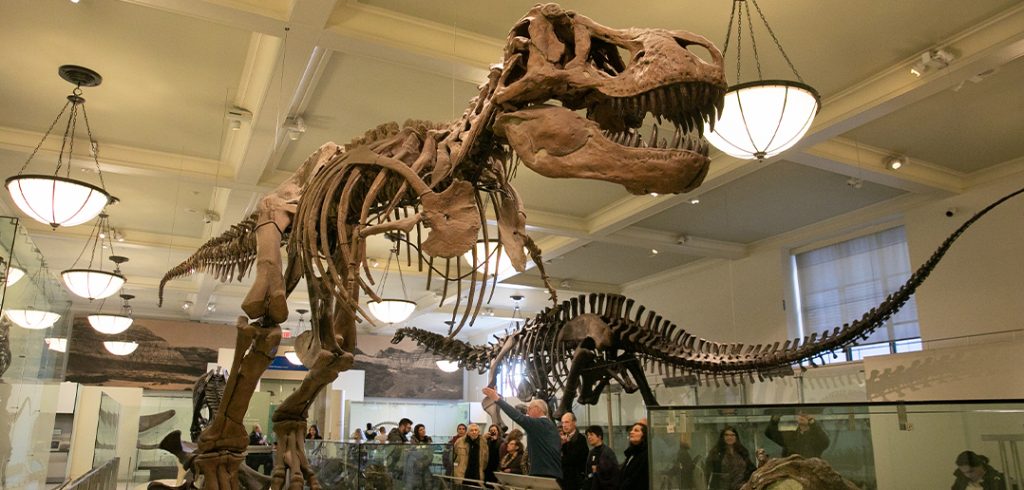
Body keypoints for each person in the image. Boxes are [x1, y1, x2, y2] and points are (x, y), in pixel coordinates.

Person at [482, 386, 562, 480]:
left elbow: (517, 416)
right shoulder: (552, 426)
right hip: (555, 474)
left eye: (529, 408)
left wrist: (497, 399)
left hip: (543, 475)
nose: (527, 412)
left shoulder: (538, 424)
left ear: (537, 409)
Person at [704, 426, 755, 490]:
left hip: (741, 486)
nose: (729, 437)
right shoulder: (715, 453)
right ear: (723, 437)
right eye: (727, 435)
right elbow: (708, 472)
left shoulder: (742, 452)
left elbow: (751, 469)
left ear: (736, 437)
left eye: (732, 435)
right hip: (722, 487)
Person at [764, 412, 829, 458]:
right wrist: (775, 419)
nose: (802, 414)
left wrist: (811, 422)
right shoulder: (790, 436)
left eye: (805, 413)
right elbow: (770, 433)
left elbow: (825, 442)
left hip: (810, 472)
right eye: (799, 413)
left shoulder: (816, 436)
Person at [561, 411, 589, 490]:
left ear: (574, 423)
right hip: (562, 479)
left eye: (567, 422)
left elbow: (573, 459)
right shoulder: (561, 439)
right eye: (562, 423)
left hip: (575, 481)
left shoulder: (580, 439)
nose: (564, 425)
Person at [585, 425, 618, 490]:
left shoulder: (607, 452)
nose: (589, 437)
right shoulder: (591, 452)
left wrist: (597, 469)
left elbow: (613, 473)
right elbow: (588, 472)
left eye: (591, 434)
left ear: (599, 436)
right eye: (587, 435)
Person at [618, 423, 649, 490]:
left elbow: (635, 478)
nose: (631, 432)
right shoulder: (631, 453)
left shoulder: (646, 454)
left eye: (636, 430)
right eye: (631, 430)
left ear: (644, 435)